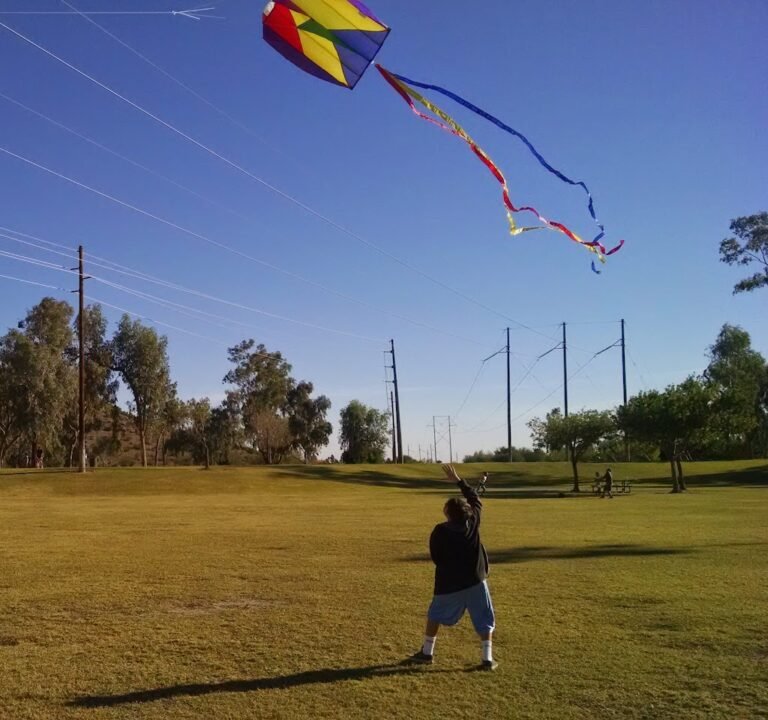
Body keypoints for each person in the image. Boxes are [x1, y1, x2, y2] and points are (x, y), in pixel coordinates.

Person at [409, 464, 497, 670]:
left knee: (435, 614)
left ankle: (427, 653)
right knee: (485, 618)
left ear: (448, 514)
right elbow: (475, 499)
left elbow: (436, 557)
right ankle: (487, 659)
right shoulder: (473, 521)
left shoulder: (440, 531)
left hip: (449, 583)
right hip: (476, 581)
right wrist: (459, 481)